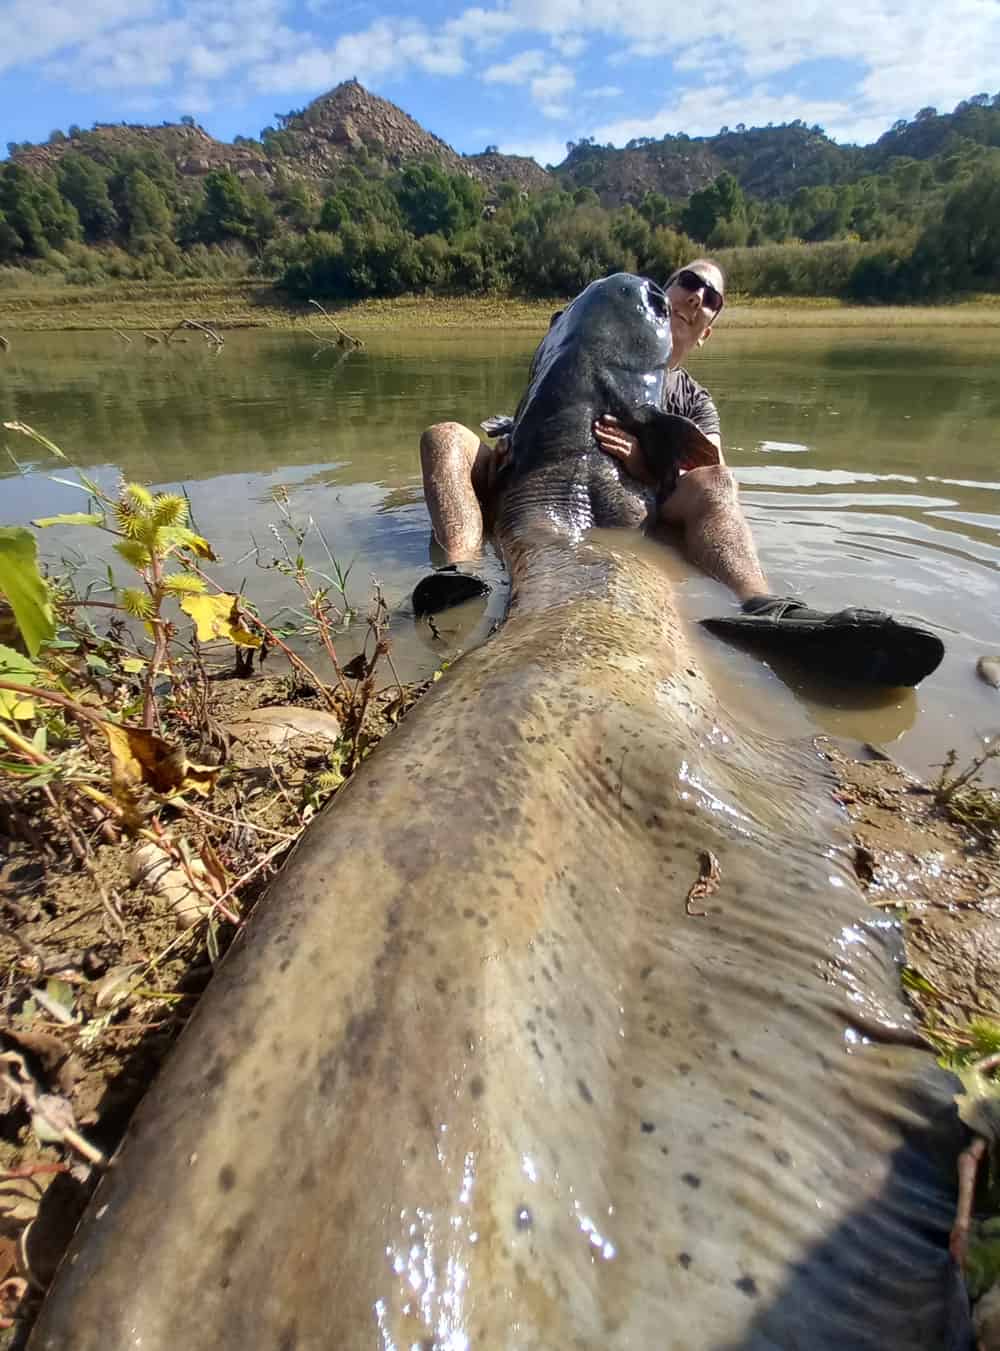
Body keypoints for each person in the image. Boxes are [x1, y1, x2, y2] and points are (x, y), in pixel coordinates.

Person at [416, 260, 944, 686]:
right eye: (690, 283)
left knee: (719, 483)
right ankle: (459, 573)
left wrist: (646, 462)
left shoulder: (694, 400)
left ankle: (763, 606)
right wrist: (513, 437)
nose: (698, 297)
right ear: (666, 292)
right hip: (530, 480)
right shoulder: (586, 338)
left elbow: (709, 465)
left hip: (631, 496)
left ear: (708, 331)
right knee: (445, 436)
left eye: (712, 298)